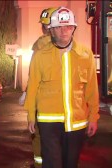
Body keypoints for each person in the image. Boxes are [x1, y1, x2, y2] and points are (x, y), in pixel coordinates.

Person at [24, 7, 100, 168]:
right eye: (58, 27)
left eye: (68, 26)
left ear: (73, 28)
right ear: (51, 30)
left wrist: (94, 116)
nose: (64, 31)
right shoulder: (40, 55)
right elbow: (32, 87)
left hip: (77, 122)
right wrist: (31, 114)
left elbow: (92, 89)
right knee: (52, 163)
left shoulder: (86, 55)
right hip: (48, 121)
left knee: (70, 164)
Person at [19, 7, 59, 168]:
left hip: (42, 100)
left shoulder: (40, 46)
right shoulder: (68, 45)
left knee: (38, 135)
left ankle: (39, 164)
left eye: (44, 25)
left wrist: (27, 92)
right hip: (63, 103)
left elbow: (34, 75)